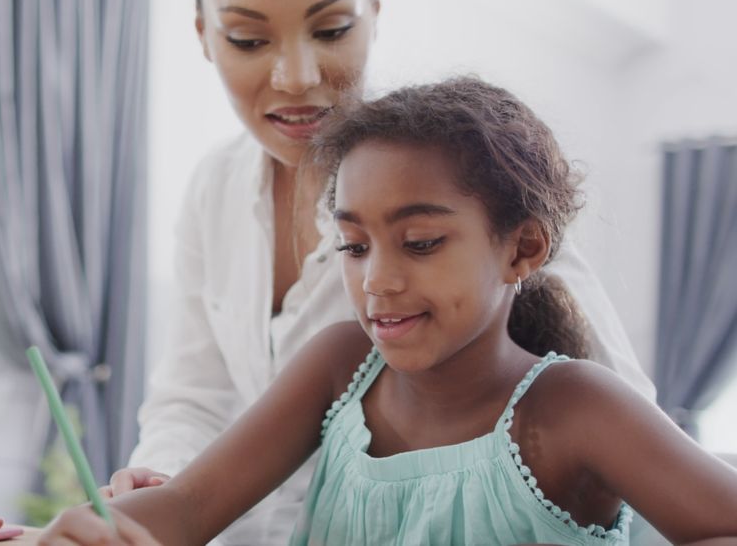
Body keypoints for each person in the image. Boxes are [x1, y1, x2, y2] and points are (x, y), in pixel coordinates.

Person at [38, 77, 737, 545]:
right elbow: (190, 506)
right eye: (352, 244)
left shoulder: (571, 408)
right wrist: (96, 530)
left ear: (522, 248)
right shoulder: (341, 367)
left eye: (421, 243)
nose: (378, 280)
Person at [119, 0, 655, 544]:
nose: (297, 77)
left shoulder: (466, 185)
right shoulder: (215, 189)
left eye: (331, 30)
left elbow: (631, 451)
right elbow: (191, 397)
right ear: (205, 35)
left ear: (374, 11)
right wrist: (158, 491)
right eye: (249, 40)